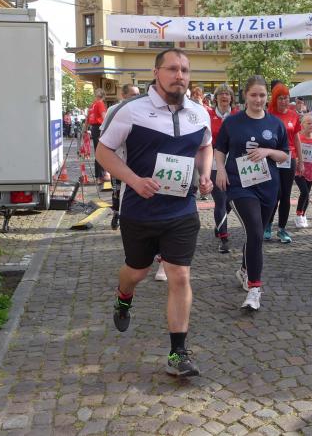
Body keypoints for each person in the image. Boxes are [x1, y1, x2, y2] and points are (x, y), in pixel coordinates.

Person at [96, 48, 212, 378]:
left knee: (180, 275)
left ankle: (178, 353)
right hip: (140, 211)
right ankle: (123, 296)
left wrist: (205, 173)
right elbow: (103, 152)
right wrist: (134, 180)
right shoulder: (130, 110)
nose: (179, 75)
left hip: (181, 209)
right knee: (137, 272)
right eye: (172, 69)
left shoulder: (199, 113)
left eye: (185, 70)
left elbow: (205, 145)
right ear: (156, 72)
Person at [215, 76, 289, 311]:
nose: (258, 100)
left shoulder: (275, 124)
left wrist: (268, 151)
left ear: (267, 97)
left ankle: (245, 269)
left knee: (254, 234)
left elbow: (284, 155)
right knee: (256, 232)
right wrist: (220, 170)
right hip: (239, 186)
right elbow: (220, 149)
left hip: (268, 186)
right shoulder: (232, 122)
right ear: (245, 96)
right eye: (253, 95)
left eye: (262, 95)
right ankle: (254, 290)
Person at [265, 82, 302, 244]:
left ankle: (282, 228)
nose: (284, 101)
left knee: (286, 194)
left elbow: (296, 138)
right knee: (274, 193)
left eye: (286, 98)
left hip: (289, 159)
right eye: (280, 98)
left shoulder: (293, 115)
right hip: (272, 159)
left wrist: (300, 160)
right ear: (274, 99)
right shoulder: (268, 115)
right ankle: (267, 225)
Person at [106, 83, 143, 232]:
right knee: (117, 189)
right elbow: (105, 135)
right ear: (123, 95)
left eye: (138, 94)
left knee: (134, 188)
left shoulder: (142, 110)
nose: (137, 97)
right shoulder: (113, 110)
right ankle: (117, 213)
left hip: (135, 158)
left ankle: (133, 218)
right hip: (117, 158)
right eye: (133, 95)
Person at [208, 83, 237, 254]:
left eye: (227, 94)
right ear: (216, 98)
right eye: (221, 94)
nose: (224, 96)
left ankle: (220, 223)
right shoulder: (208, 115)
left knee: (231, 199)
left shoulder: (237, 115)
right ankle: (224, 238)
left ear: (231, 98)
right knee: (220, 199)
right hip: (213, 161)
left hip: (233, 161)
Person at [294, 114, 312, 228]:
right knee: (304, 192)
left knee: (307, 195)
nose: (311, 125)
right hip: (298, 170)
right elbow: (292, 150)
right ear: (302, 125)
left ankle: (303, 215)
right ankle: (298, 215)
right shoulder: (298, 137)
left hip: (310, 171)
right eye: (308, 123)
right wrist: (296, 159)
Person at [88, 88, 107, 180]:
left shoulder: (93, 104)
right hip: (99, 128)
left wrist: (85, 129)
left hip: (95, 128)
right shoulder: (99, 104)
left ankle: (99, 175)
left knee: (98, 152)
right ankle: (101, 175)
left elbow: (88, 118)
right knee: (101, 152)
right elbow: (104, 117)